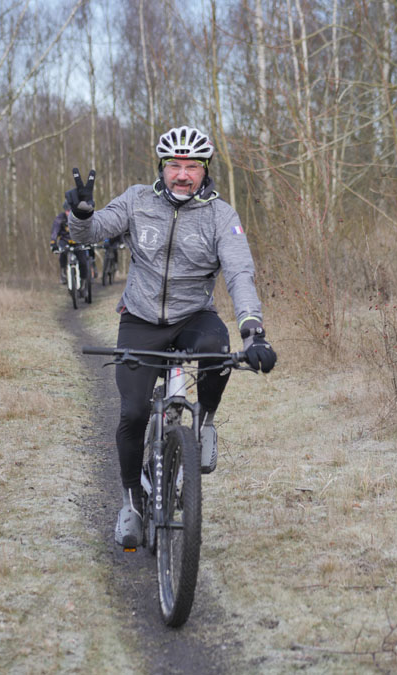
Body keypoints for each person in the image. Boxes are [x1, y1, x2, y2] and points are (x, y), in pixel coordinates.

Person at [66, 125, 277, 548]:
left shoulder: (221, 216)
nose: (182, 175)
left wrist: (253, 330)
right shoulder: (137, 200)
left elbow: (239, 273)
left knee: (217, 349)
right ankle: (131, 502)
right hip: (141, 319)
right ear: (161, 167)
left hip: (193, 316)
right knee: (132, 414)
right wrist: (83, 216)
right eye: (174, 165)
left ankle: (205, 421)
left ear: (205, 170)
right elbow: (90, 233)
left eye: (192, 167)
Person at [50, 200, 90, 286]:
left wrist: (88, 241)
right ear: (65, 210)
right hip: (65, 241)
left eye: (71, 210)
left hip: (78, 241)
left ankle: (83, 279)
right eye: (67, 211)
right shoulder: (60, 218)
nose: (69, 213)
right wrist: (53, 243)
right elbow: (55, 231)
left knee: (83, 260)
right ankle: (63, 272)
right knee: (62, 252)